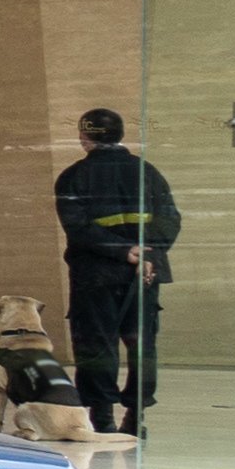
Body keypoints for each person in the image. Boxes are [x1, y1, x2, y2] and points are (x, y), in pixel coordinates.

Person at [56, 105, 179, 434]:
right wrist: (148, 255)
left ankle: (103, 419)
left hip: (96, 276)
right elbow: (170, 219)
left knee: (97, 345)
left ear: (84, 137)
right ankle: (135, 416)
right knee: (141, 345)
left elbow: (78, 228)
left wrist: (126, 252)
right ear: (121, 135)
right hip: (145, 274)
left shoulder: (73, 177)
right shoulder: (148, 172)